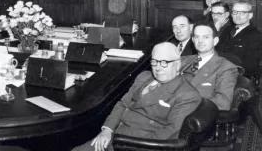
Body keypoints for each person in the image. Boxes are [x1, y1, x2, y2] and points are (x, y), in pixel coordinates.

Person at [72, 42, 201, 151]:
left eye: (164, 62)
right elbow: (123, 104)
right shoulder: (144, 76)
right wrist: (107, 130)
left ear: (177, 64)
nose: (158, 68)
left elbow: (170, 132)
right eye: (155, 62)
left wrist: (129, 145)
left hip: (137, 144)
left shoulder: (187, 95)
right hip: (115, 134)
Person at [180, 24, 239, 110]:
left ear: (215, 41)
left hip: (194, 114)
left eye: (206, 37)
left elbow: (223, 102)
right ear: (192, 40)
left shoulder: (226, 68)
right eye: (196, 37)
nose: (200, 41)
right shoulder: (182, 60)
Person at [217, 2, 262, 78]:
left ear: (250, 15)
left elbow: (250, 66)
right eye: (235, 12)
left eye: (242, 13)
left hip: (238, 77)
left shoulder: (256, 36)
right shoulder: (227, 30)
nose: (238, 16)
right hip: (218, 73)